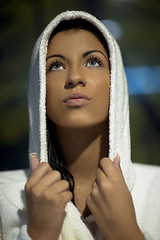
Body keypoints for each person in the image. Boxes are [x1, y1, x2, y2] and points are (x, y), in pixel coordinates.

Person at [0, 10, 160, 240]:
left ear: (116, 81)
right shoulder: (4, 195)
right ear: (39, 88)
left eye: (93, 61)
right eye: (56, 65)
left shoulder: (156, 188)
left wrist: (126, 232)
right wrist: (39, 233)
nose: (75, 77)